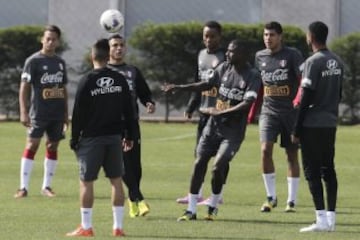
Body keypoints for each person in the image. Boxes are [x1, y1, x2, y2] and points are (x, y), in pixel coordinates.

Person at [163, 39, 261, 221]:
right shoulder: (224, 68)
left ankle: (213, 203)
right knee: (199, 163)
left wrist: (220, 111)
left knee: (218, 167)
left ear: (243, 54)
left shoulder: (252, 75)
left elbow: (247, 104)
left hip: (232, 132)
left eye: (233, 51)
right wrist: (180, 87)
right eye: (228, 51)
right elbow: (205, 84)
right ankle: (191, 210)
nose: (228, 54)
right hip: (213, 127)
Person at [66, 38, 135, 237]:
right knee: (116, 180)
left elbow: (78, 113)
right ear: (109, 56)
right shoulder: (120, 79)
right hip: (114, 137)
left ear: (92, 57)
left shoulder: (87, 80)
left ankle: (86, 227)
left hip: (91, 138)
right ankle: (118, 227)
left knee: (86, 182)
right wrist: (129, 134)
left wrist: (74, 138)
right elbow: (129, 110)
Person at [292, 21, 343, 232]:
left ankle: (320, 220)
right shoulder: (337, 61)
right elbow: (339, 93)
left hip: (312, 123)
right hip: (330, 122)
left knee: (312, 171)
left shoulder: (313, 62)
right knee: (328, 169)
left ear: (310, 36)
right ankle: (331, 219)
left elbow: (306, 96)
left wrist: (296, 127)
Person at [253, 21, 303, 212]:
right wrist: (251, 112)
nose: (268, 38)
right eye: (265, 35)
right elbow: (258, 86)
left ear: (280, 37)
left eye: (272, 35)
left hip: (290, 113)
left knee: (291, 154)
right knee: (265, 150)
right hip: (269, 112)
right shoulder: (260, 56)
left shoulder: (292, 55)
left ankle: (291, 200)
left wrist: (298, 102)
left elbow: (301, 82)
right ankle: (271, 197)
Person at [176, 20, 227, 206]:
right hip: (204, 112)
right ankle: (196, 194)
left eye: (213, 36)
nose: (209, 39)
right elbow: (198, 83)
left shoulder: (225, 57)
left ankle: (218, 194)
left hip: (220, 113)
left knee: (221, 156)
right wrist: (191, 107)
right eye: (206, 36)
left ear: (219, 37)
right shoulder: (201, 55)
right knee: (200, 154)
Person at [15, 25, 68, 198]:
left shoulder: (60, 63)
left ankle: (46, 186)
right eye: (47, 38)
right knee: (32, 145)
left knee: (52, 145)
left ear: (58, 41)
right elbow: (24, 87)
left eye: (53, 39)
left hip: (57, 113)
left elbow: (63, 89)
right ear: (42, 40)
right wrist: (23, 111)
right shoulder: (33, 61)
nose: (50, 42)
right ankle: (23, 188)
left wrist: (66, 114)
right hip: (38, 113)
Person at [107, 34, 155, 218]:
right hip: (112, 125)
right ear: (109, 49)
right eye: (114, 45)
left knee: (135, 166)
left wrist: (149, 103)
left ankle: (132, 200)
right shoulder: (104, 72)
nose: (118, 48)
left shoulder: (132, 71)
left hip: (132, 123)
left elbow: (144, 93)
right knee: (124, 164)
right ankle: (140, 199)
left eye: (121, 45)